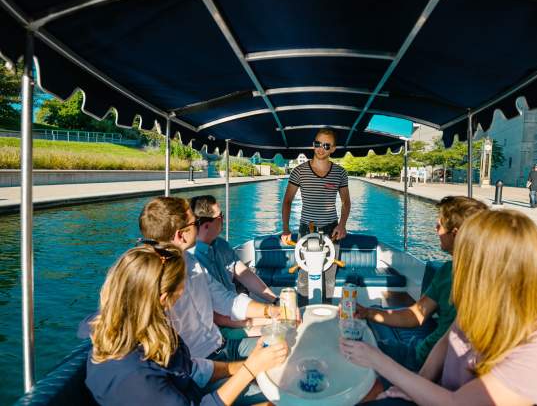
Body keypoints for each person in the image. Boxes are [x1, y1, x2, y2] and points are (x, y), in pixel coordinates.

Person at [340, 209, 537, 406]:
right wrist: (416, 385)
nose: (458, 264)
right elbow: (447, 341)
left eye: (467, 254)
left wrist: (377, 360)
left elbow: (456, 403)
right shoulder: (482, 308)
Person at [85, 244, 288, 406]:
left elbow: (192, 369)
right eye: (180, 292)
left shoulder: (154, 331)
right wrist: (250, 370)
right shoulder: (133, 375)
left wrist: (247, 366)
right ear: (163, 299)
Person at [356, 196, 488, 372]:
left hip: (421, 359)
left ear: (455, 233)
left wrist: (369, 312)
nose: (436, 229)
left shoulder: (450, 272)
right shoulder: (456, 270)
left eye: (439, 225)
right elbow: (416, 315)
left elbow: (416, 317)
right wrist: (369, 312)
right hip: (429, 354)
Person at [189, 195, 277, 339]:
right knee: (280, 336)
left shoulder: (222, 245)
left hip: (237, 314)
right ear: (206, 225)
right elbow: (217, 316)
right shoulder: (193, 262)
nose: (224, 219)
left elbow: (245, 274)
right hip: (219, 331)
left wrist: (275, 299)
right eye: (220, 216)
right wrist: (268, 319)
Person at [281, 128, 351, 301]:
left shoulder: (340, 173)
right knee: (304, 277)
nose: (321, 148)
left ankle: (325, 314)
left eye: (326, 145)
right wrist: (285, 228)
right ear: (313, 144)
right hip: (306, 230)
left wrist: (342, 225)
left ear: (333, 149)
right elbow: (287, 201)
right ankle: (303, 315)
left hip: (332, 231)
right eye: (318, 144)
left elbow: (346, 202)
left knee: (329, 277)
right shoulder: (298, 171)